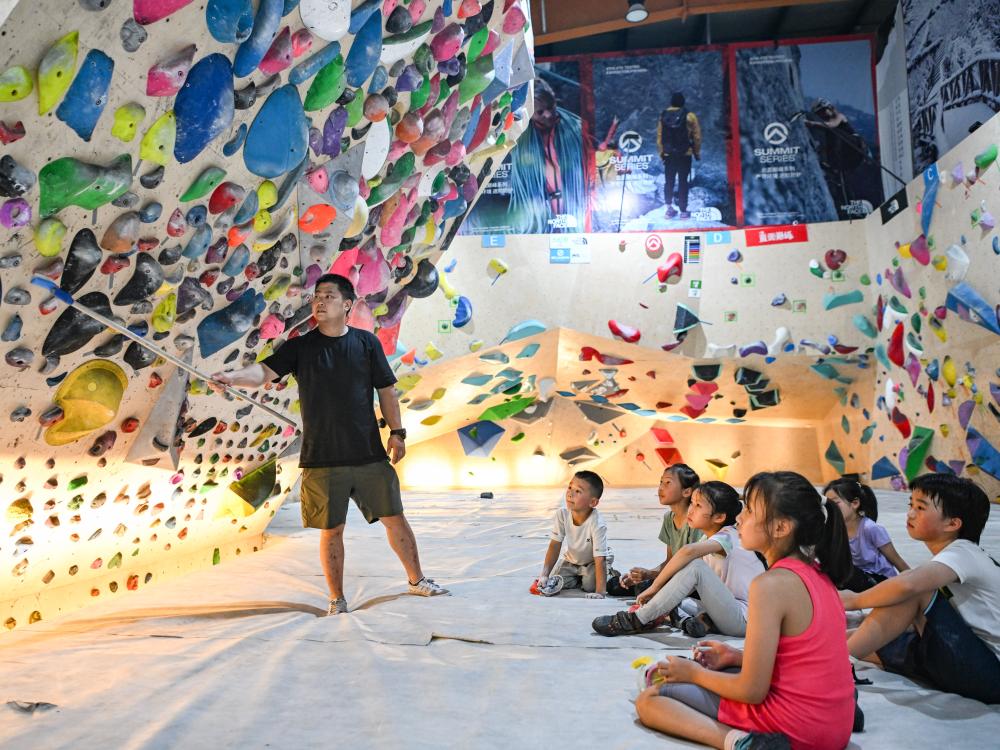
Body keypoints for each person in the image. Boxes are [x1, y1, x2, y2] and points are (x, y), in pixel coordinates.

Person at [210, 274, 447, 617]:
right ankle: (337, 598)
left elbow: (386, 390)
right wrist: (231, 378)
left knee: (394, 518)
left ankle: (417, 579)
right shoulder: (300, 347)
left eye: (329, 296)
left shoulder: (366, 343)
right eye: (317, 296)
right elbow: (263, 373)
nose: (319, 301)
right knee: (331, 531)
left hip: (367, 454)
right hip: (321, 457)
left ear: (347, 304)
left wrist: (397, 433)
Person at [634, 471, 856, 750]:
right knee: (703, 673)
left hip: (798, 729)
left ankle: (741, 742)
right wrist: (736, 656)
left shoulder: (770, 585)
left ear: (781, 528)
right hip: (836, 724)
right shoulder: (818, 573)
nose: (739, 517)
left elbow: (752, 691)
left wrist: (693, 673)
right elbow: (803, 658)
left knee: (651, 697)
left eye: (749, 510)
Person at [841, 473, 1000, 704]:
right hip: (964, 654)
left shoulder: (963, 552)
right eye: (911, 505)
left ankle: (836, 667)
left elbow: (908, 585)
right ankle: (831, 655)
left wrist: (853, 600)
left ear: (953, 524)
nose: (910, 513)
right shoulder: (953, 557)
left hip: (990, 673)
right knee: (861, 640)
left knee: (913, 589)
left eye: (921, 507)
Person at [593, 482, 765, 637]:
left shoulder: (728, 536)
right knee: (670, 597)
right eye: (692, 503)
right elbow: (682, 577)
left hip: (743, 619)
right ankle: (693, 621)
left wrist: (654, 587)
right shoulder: (708, 540)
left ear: (719, 517)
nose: (691, 510)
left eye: (698, 506)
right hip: (726, 610)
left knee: (694, 568)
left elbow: (687, 552)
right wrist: (655, 588)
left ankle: (637, 620)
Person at [606, 463, 702, 598]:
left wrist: (650, 575)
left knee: (644, 588)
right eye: (661, 482)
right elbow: (670, 561)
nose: (661, 488)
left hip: (691, 581)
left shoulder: (696, 521)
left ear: (686, 492)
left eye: (668, 483)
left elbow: (694, 568)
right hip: (673, 577)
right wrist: (643, 575)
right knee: (614, 585)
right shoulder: (669, 518)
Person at [531, 471, 609, 598]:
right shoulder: (562, 514)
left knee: (590, 586)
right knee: (555, 581)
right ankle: (579, 577)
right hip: (571, 562)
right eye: (570, 487)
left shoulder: (597, 523)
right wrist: (544, 575)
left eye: (578, 491)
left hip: (593, 562)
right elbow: (555, 545)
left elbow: (600, 559)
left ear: (593, 502)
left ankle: (609, 573)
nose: (570, 493)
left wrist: (600, 592)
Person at [823, 478, 909, 592]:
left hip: (881, 581)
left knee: (841, 570)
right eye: (828, 504)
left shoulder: (870, 528)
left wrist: (914, 585)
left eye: (835, 503)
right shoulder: (835, 529)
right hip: (859, 578)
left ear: (855, 503)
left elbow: (896, 560)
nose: (830, 508)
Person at [804, 98, 872, 217]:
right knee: (831, 137)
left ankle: (833, 165)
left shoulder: (839, 117)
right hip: (847, 156)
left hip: (855, 147)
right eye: (819, 114)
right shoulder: (830, 128)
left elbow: (831, 126)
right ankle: (848, 204)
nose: (822, 115)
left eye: (822, 111)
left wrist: (812, 124)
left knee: (834, 132)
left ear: (829, 108)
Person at [658, 91, 701, 220]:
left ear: (671, 102)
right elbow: (697, 137)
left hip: (669, 154)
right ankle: (683, 211)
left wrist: (662, 153)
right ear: (683, 102)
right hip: (685, 154)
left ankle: (669, 209)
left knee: (669, 181)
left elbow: (660, 137)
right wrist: (696, 153)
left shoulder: (664, 115)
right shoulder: (690, 116)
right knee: (683, 182)